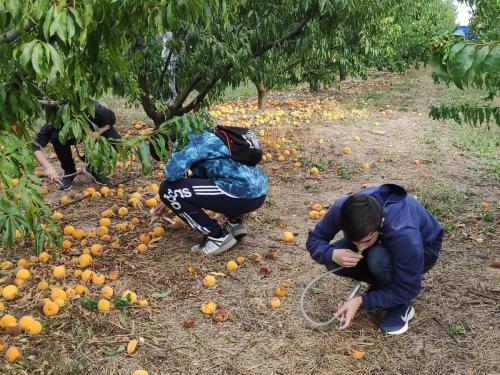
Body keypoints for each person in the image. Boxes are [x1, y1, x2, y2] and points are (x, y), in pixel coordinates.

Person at [306, 184, 443, 335]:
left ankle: (400, 305)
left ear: (381, 222)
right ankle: (383, 287)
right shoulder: (341, 209)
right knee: (333, 260)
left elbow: (410, 287)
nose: (361, 248)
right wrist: (331, 254)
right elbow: (315, 239)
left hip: (424, 250)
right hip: (383, 240)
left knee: (377, 258)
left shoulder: (403, 232)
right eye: (354, 240)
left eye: (366, 240)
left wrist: (361, 301)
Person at [154, 128, 268, 256]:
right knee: (209, 175)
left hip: (239, 194)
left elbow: (172, 173)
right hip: (258, 191)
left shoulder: (187, 139)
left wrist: (170, 196)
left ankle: (217, 237)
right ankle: (235, 223)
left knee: (167, 190)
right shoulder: (208, 132)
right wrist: (168, 201)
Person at [32, 101, 121, 190]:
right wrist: (48, 167)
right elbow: (35, 146)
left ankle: (94, 168)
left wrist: (98, 132)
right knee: (56, 137)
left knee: (117, 142)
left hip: (95, 130)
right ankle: (69, 171)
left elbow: (111, 120)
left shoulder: (94, 109)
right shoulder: (55, 121)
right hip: (72, 137)